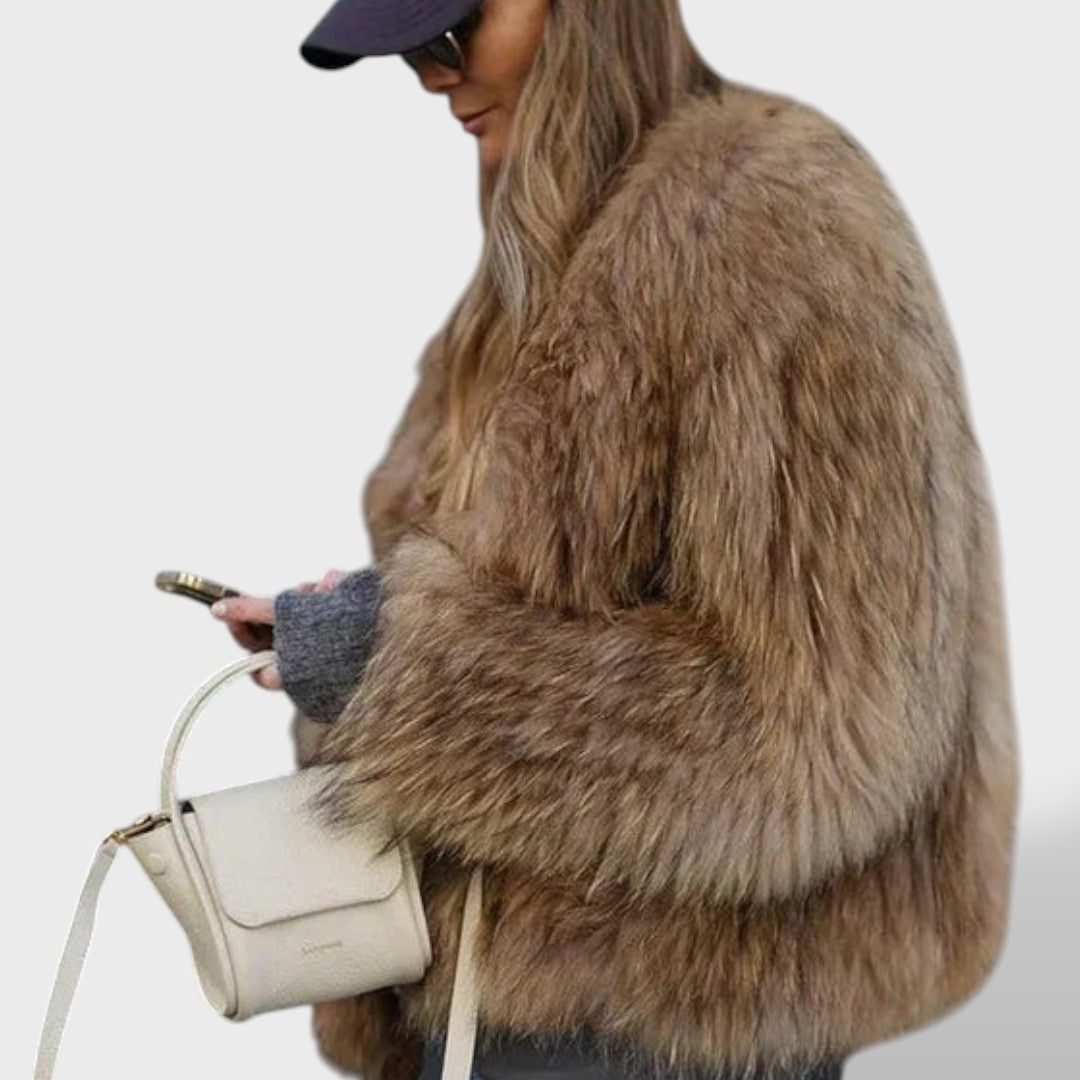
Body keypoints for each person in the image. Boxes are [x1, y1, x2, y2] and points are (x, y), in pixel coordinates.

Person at [211, 2, 1020, 1080]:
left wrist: (401, 662)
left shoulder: (764, 217)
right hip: (511, 998)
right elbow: (570, 593)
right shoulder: (565, 236)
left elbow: (820, 729)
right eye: (406, 50)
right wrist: (365, 621)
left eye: (451, 30)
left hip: (676, 1013)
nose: (430, 76)